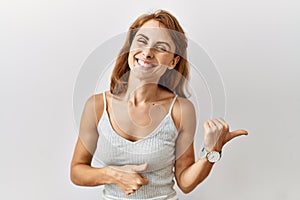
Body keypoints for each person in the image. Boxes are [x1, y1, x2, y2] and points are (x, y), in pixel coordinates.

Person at [70, 10, 248, 200]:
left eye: (161, 47)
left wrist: (212, 152)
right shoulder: (97, 105)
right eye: (141, 41)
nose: (147, 52)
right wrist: (113, 175)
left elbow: (185, 183)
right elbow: (77, 171)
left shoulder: (181, 110)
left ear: (173, 61)